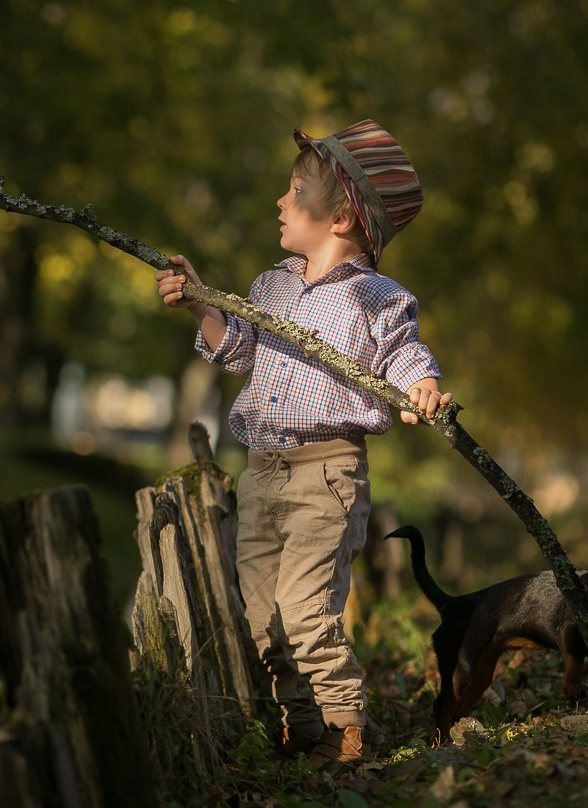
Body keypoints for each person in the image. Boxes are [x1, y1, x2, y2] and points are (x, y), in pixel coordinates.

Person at [154, 119, 450, 767]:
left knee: (306, 606)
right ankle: (301, 720)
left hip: (327, 472)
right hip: (263, 471)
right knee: (263, 612)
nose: (280, 201)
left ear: (340, 217)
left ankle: (346, 725)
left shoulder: (376, 296)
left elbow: (404, 354)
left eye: (294, 191)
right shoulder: (272, 286)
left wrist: (423, 388)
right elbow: (237, 349)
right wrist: (200, 302)